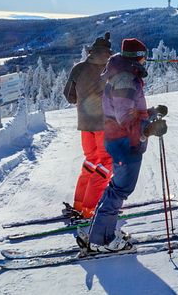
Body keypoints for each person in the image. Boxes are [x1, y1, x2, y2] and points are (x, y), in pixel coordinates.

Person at [77, 38, 169, 254]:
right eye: (144, 55)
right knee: (120, 190)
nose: (146, 59)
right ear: (137, 57)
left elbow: (129, 110)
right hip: (125, 143)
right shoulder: (126, 79)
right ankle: (101, 239)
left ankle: (100, 231)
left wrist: (152, 112)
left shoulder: (124, 76)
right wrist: (149, 129)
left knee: (116, 189)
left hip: (120, 140)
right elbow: (125, 118)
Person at [63, 33, 113, 219]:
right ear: (108, 53)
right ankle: (90, 209)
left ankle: (79, 203)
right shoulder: (111, 70)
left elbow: (69, 96)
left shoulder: (78, 69)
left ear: (92, 51)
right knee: (105, 164)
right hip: (105, 126)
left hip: (85, 125)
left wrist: (83, 99)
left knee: (91, 161)